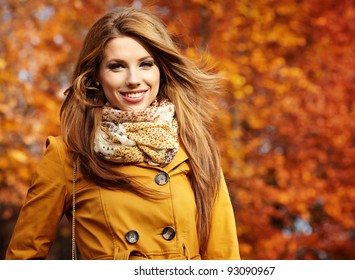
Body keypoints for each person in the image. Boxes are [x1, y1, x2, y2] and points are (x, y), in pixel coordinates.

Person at [6, 7, 240, 260]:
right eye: (117, 67)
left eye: (145, 64)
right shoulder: (68, 156)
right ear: (96, 76)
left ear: (161, 70)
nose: (134, 79)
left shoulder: (195, 146)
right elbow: (22, 263)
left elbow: (224, 259)